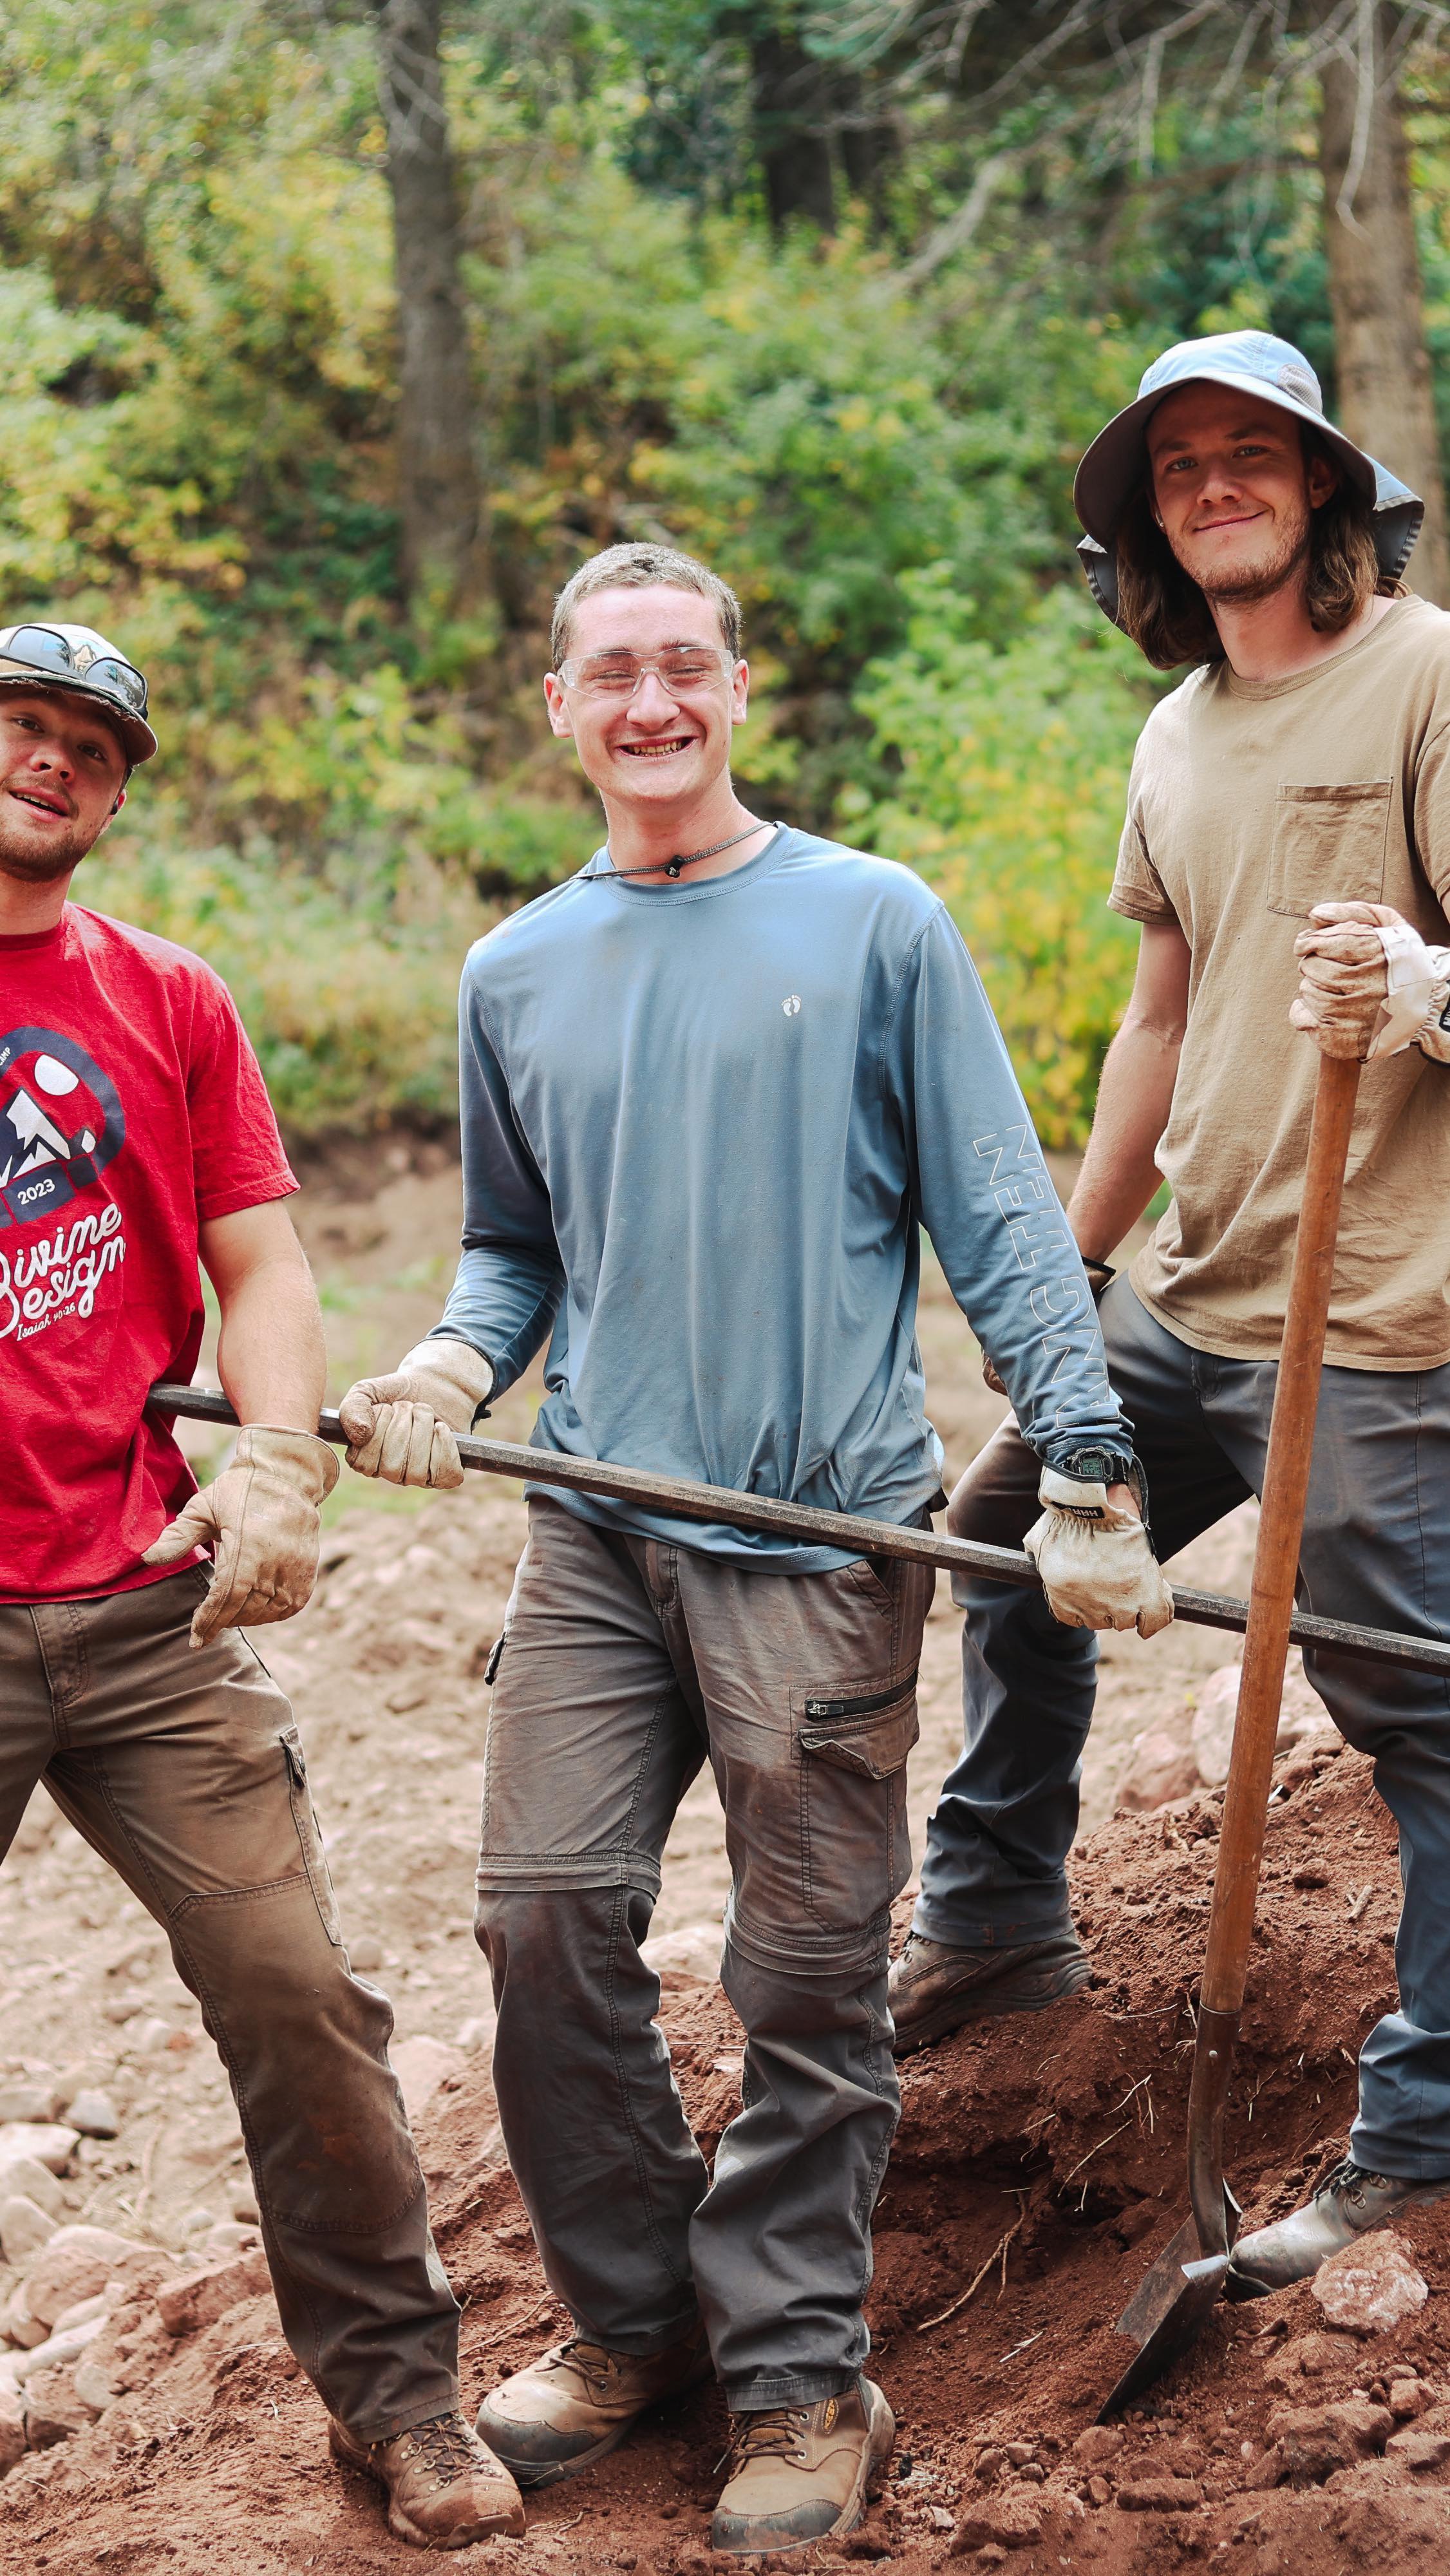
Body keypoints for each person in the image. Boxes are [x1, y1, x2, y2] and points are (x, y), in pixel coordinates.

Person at [338, 540, 1171, 2556]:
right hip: (593, 1534)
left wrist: (1079, 1455)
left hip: (816, 1535)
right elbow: (513, 1248)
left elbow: (997, 1210)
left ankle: (801, 2371)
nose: (651, 702)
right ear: (560, 705)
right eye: (611, 671)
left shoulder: (872, 919)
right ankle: (638, 2326)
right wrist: (448, 1364)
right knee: (543, 1928)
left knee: (803, 1977)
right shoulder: (515, 968)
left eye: (684, 665)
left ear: (736, 688)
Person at [890, 328, 1450, 2293]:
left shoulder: (1424, 674)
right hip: (1195, 1287)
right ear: (1145, 524)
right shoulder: (1175, 733)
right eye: (1178, 464)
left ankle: (1420, 2127)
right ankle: (991, 1920)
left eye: (1249, 452)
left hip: (1371, 1316)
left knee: (1413, 1707)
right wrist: (1064, 1276)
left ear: (1322, 487)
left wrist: (1427, 986)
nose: (1214, 483)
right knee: (1003, 1543)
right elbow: (1155, 1020)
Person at [0, 620, 524, 2548]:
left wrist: (282, 1463)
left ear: (118, 798)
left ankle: (401, 2403)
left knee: (299, 1994)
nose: (51, 763)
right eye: (20, 727)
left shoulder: (167, 997)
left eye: (89, 749)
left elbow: (261, 1259)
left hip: (147, 1598)